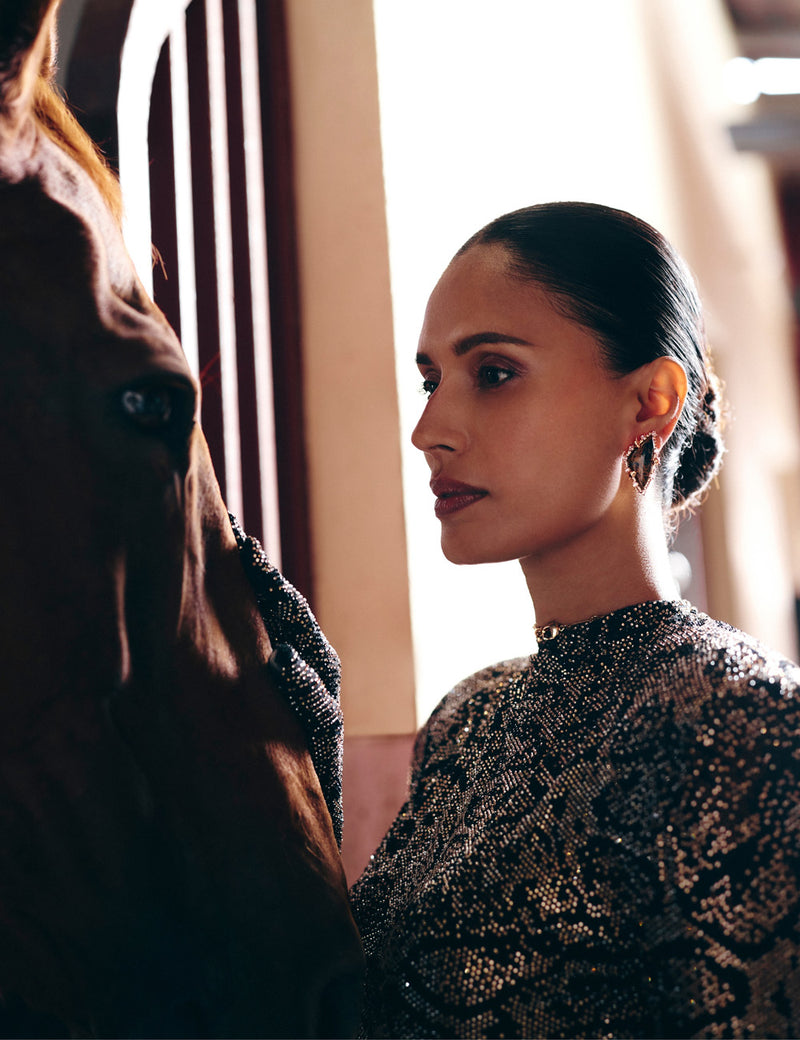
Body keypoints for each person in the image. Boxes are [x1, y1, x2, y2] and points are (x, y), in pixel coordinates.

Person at [340, 202, 800, 1038]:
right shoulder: (467, 719)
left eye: (496, 372)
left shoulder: (747, 722)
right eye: (431, 379)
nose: (429, 430)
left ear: (648, 403)